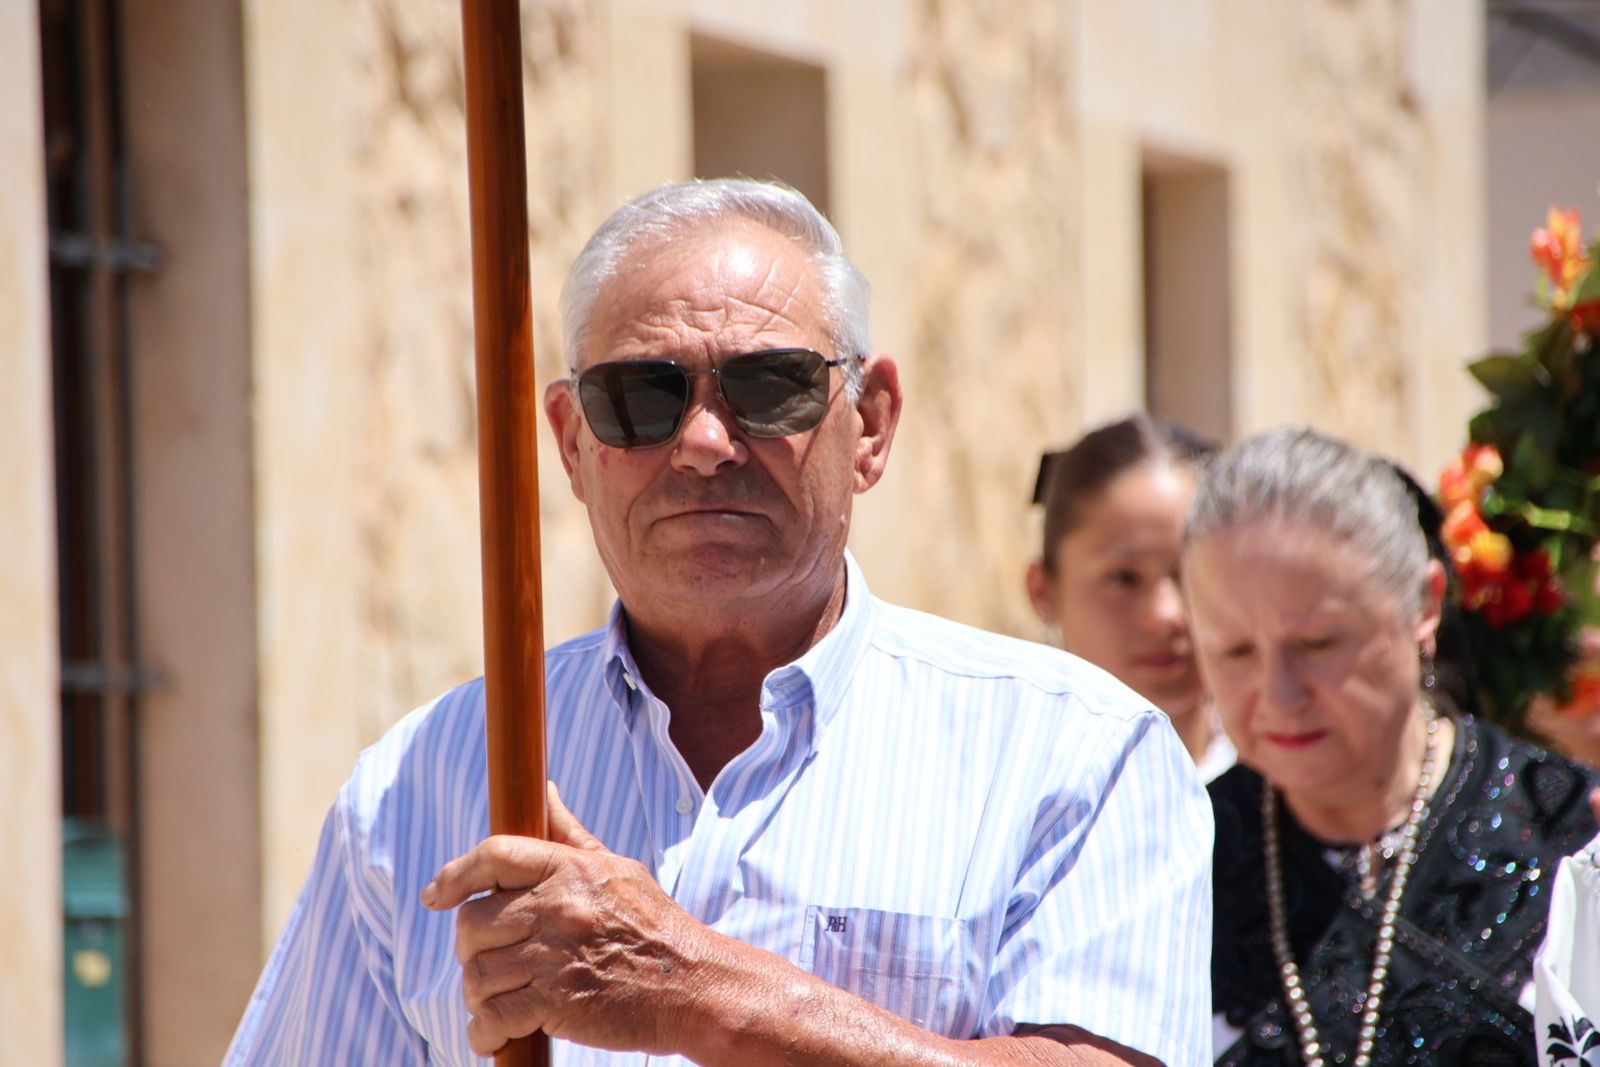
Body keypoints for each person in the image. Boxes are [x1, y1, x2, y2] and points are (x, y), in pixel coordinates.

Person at [225, 178, 1213, 1067]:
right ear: (571, 443)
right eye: (639, 397)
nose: (701, 443)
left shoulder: (1075, 752)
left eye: (767, 385)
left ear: (869, 422)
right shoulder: (422, 783)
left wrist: (695, 990)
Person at [1181, 427, 1600, 1066]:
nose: (1278, 695)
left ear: (1424, 605)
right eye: (1235, 651)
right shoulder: (1178, 856)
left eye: (1318, 643)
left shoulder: (1570, 835)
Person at [1026, 416, 1233, 779]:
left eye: (1190, 574)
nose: (1166, 614)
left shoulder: (1300, 793)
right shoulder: (1003, 789)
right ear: (1043, 591)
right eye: (1122, 578)